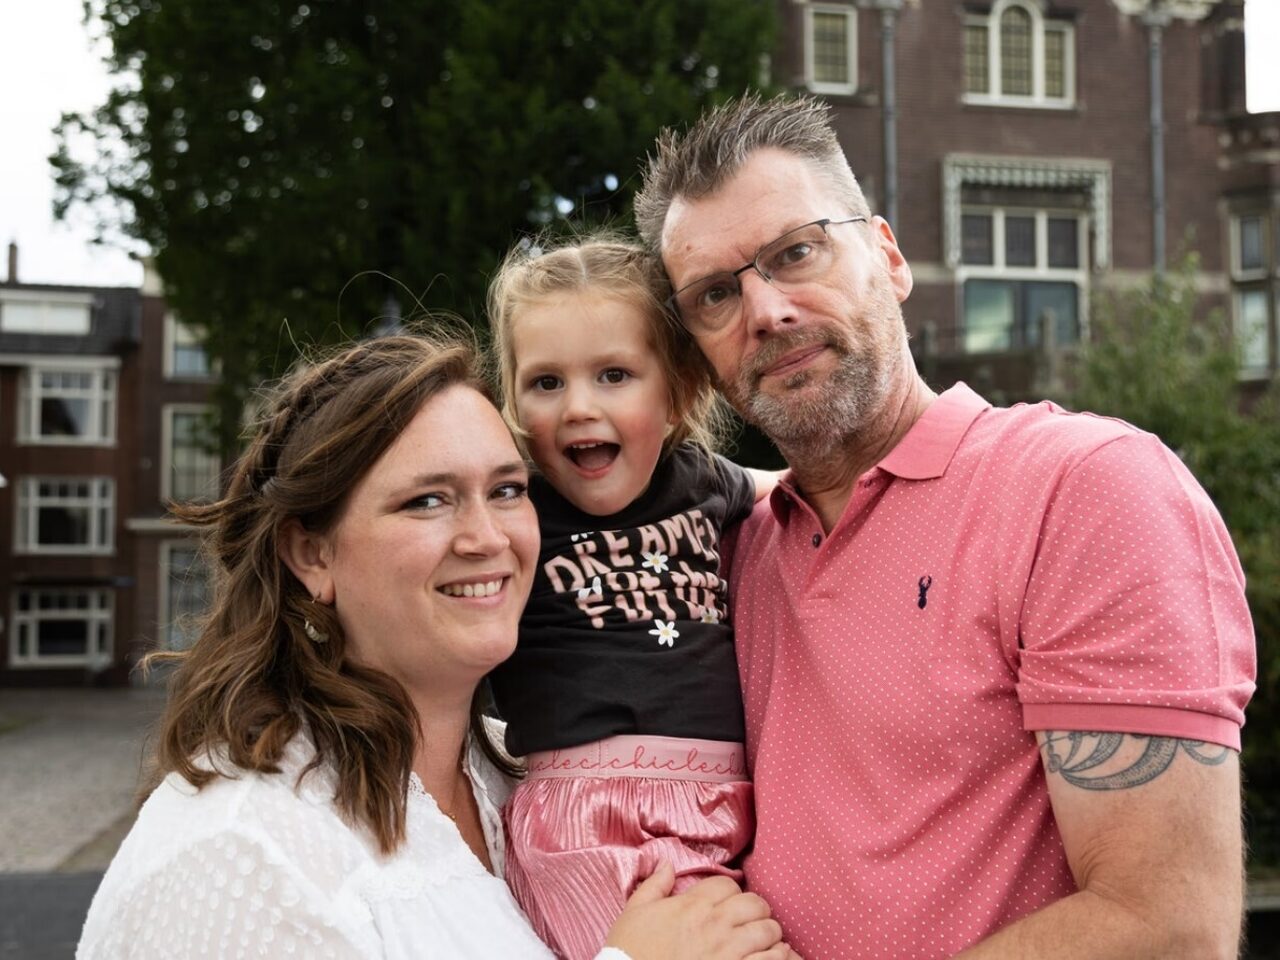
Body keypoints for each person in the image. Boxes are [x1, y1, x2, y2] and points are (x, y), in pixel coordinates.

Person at [632, 94, 1257, 959]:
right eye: (714, 295)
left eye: (797, 251)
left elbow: (1166, 926)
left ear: (888, 257)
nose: (766, 311)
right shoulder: (730, 550)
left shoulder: (1081, 489)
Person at [76, 333, 792, 960]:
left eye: (507, 490)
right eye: (427, 500)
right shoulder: (237, 849)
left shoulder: (525, 775)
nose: (488, 538)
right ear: (312, 554)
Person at [486, 237, 778, 960]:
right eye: (545, 382)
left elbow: (801, 487)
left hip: (722, 805)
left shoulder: (701, 479)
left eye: (614, 375)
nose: (579, 407)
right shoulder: (519, 510)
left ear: (676, 393)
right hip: (584, 817)